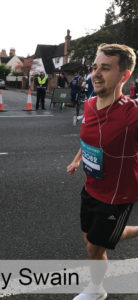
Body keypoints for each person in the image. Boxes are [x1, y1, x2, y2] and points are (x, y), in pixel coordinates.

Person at [67, 43, 138, 300]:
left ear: (124, 76)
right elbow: (89, 139)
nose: (95, 73)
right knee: (91, 240)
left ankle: (96, 290)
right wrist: (77, 159)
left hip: (117, 197)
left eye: (105, 68)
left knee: (95, 248)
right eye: (95, 67)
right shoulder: (89, 104)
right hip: (90, 188)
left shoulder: (132, 115)